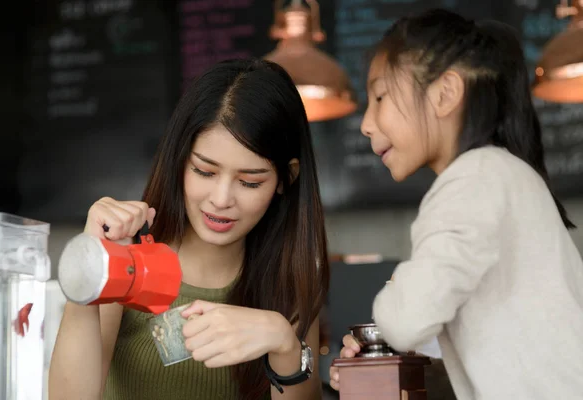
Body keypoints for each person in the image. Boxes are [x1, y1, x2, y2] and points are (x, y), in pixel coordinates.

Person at [330, 8, 583, 400]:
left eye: (379, 96)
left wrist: (395, 299)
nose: (366, 123)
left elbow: (406, 319)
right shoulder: (500, 173)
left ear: (445, 94)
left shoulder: (474, 179)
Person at [49, 58, 329, 400]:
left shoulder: (292, 278)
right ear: (180, 162)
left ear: (286, 179)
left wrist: (284, 341)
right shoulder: (128, 257)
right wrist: (88, 269)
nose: (222, 199)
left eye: (249, 182)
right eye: (205, 172)